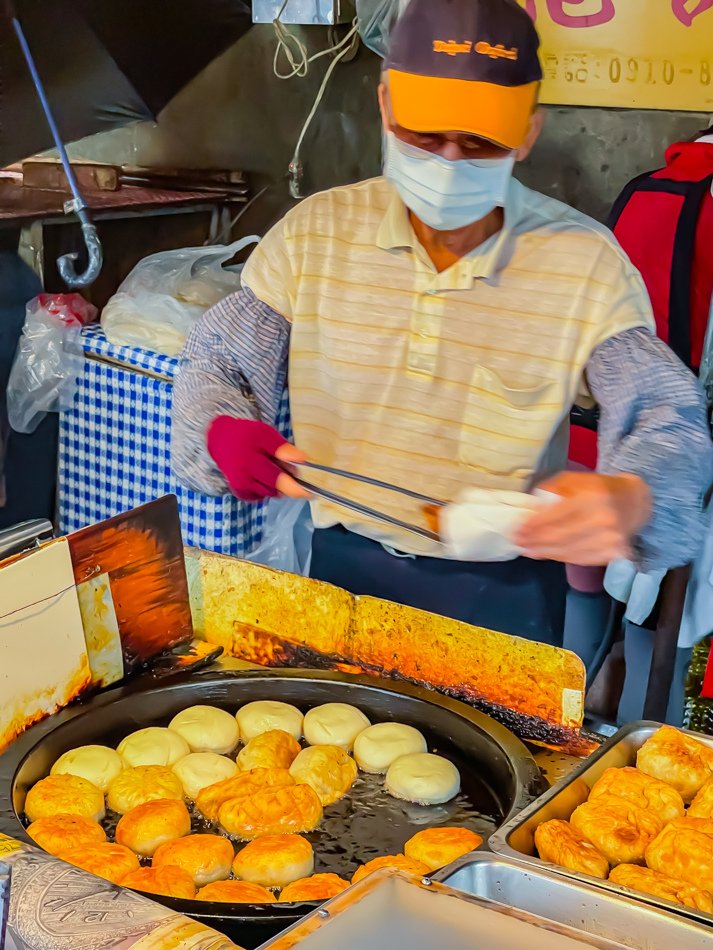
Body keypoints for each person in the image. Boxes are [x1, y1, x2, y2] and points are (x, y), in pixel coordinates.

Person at [172, 0, 713, 647]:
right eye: (424, 134)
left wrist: (636, 496)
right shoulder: (315, 234)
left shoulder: (581, 263)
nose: (449, 160)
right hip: (341, 562)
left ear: (527, 133)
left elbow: (665, 412)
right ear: (384, 108)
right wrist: (219, 427)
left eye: (480, 141)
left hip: (500, 593)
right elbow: (219, 361)